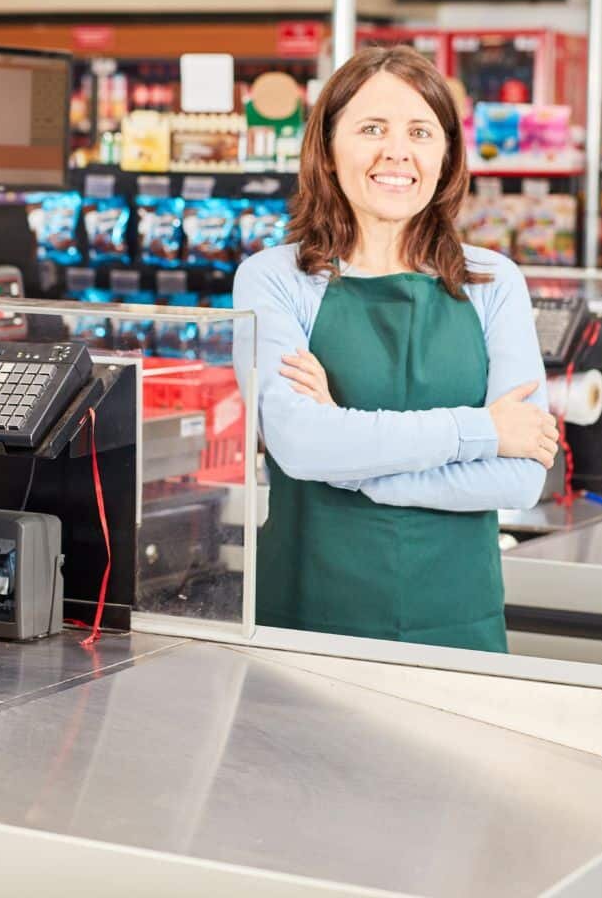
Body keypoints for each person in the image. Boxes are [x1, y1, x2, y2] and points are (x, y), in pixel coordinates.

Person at [233, 46, 558, 654]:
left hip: (456, 619)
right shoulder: (274, 279)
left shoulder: (494, 280)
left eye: (420, 132)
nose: (396, 152)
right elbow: (300, 444)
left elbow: (519, 480)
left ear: (446, 155)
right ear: (327, 149)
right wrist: (484, 429)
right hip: (310, 617)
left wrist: (358, 474)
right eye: (371, 129)